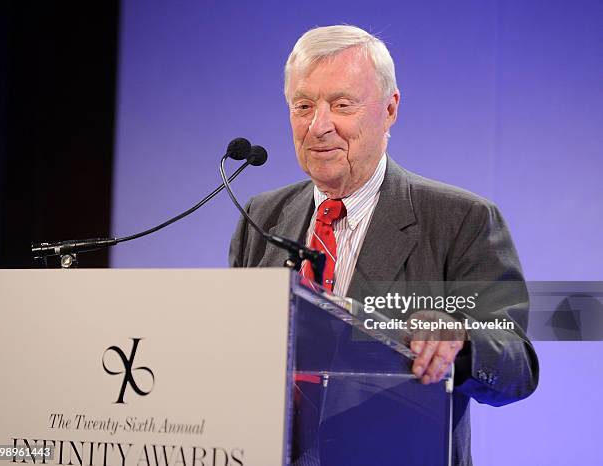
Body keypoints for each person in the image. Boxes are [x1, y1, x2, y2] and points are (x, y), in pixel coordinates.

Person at [229, 25, 539, 466]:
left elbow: (517, 366)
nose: (319, 126)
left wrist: (462, 342)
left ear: (390, 109)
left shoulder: (461, 220)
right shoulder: (260, 217)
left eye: (342, 104)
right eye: (303, 105)